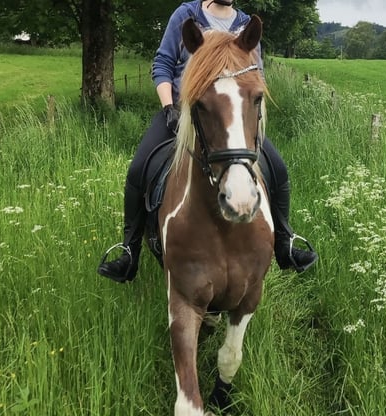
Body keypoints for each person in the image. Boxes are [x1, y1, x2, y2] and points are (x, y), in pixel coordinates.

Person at [98, 0, 318, 283]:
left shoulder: (245, 26)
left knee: (279, 169)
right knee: (139, 168)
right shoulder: (186, 16)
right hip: (185, 113)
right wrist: (169, 108)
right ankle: (129, 250)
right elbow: (163, 64)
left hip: (233, 119)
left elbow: (257, 76)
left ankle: (285, 242)